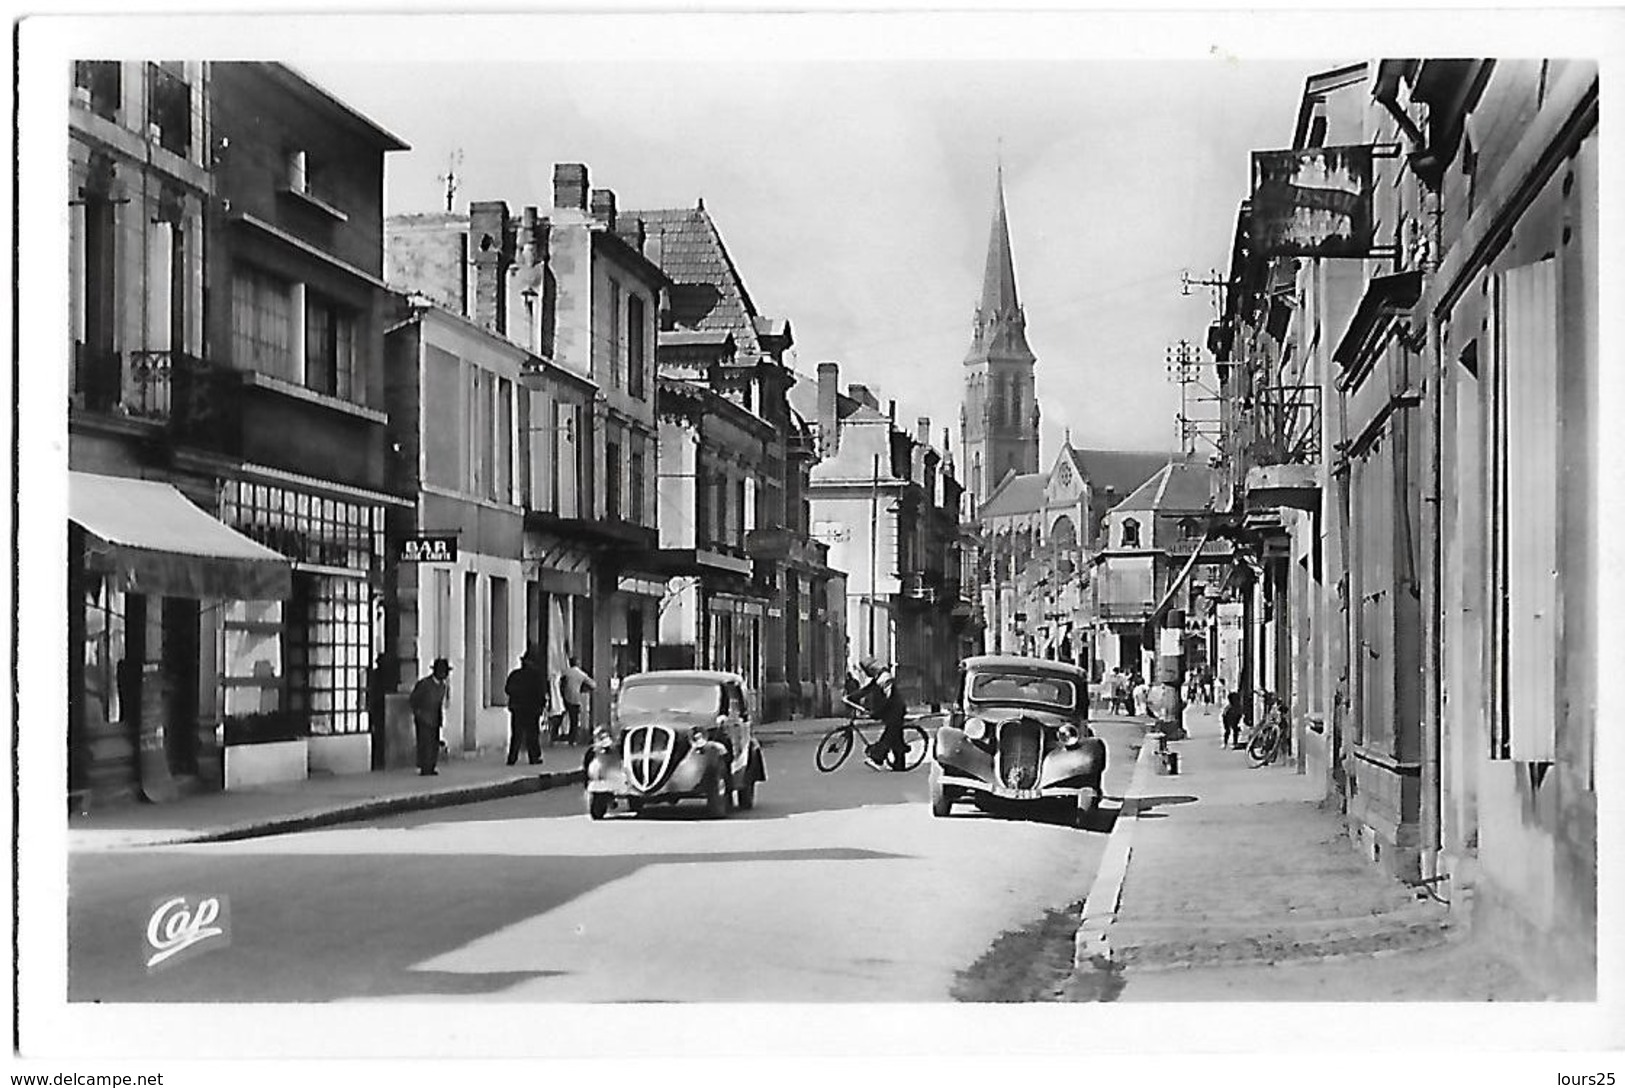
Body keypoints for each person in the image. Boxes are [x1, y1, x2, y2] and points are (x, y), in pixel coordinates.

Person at [854, 656, 909, 771]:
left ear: (871, 669)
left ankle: (877, 758)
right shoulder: (878, 677)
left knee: (888, 737)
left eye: (866, 671)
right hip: (891, 711)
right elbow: (866, 690)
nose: (866, 674)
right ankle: (900, 765)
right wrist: (851, 697)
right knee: (896, 738)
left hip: (895, 710)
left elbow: (887, 699)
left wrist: (876, 713)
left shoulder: (885, 677)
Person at [503, 648, 548, 766]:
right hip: (532, 709)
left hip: (518, 708)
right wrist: (541, 706)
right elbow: (541, 692)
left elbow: (508, 689)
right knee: (532, 734)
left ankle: (512, 758)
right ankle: (534, 757)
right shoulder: (536, 676)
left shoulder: (515, 675)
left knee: (516, 734)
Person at [410, 657, 452, 776]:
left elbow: (440, 703)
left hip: (435, 718)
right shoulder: (425, 684)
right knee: (424, 743)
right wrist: (418, 712)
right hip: (423, 717)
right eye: (443, 672)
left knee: (433, 744)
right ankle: (424, 767)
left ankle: (431, 766)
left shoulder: (442, 686)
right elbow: (414, 699)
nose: (445, 675)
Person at [558, 655, 595, 744]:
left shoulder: (566, 672)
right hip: (575, 698)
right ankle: (572, 738)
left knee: (562, 716)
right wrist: (585, 689)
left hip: (565, 697)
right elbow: (593, 684)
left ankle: (557, 733)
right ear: (577, 663)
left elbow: (559, 681)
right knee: (574, 720)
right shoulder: (580, 673)